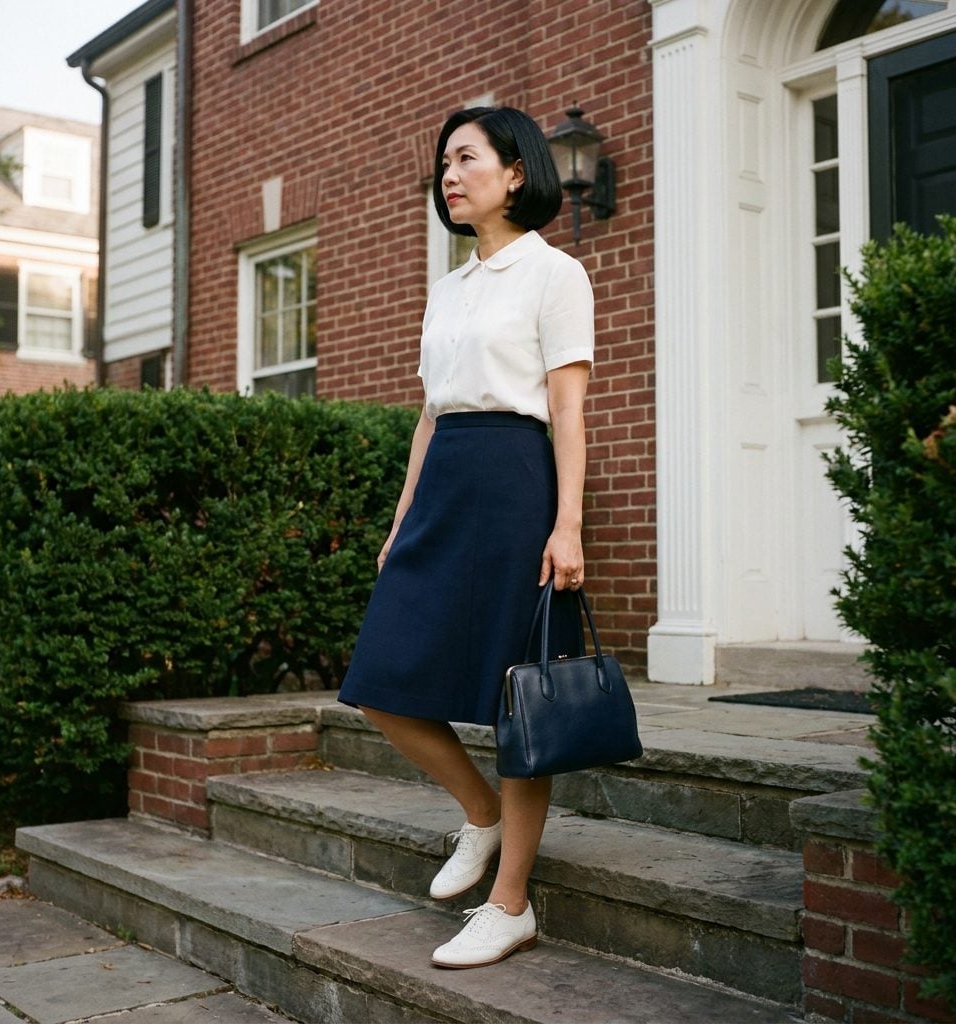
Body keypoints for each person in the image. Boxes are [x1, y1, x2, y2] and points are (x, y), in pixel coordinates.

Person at [338, 105, 594, 970]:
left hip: (516, 483)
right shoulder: (447, 288)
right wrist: (401, 519)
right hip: (445, 482)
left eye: (466, 158)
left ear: (516, 172)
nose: (448, 175)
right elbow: (429, 414)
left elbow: (568, 410)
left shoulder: (555, 274)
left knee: (518, 698)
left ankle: (510, 903)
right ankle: (481, 815)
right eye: (442, 162)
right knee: (381, 678)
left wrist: (567, 525)